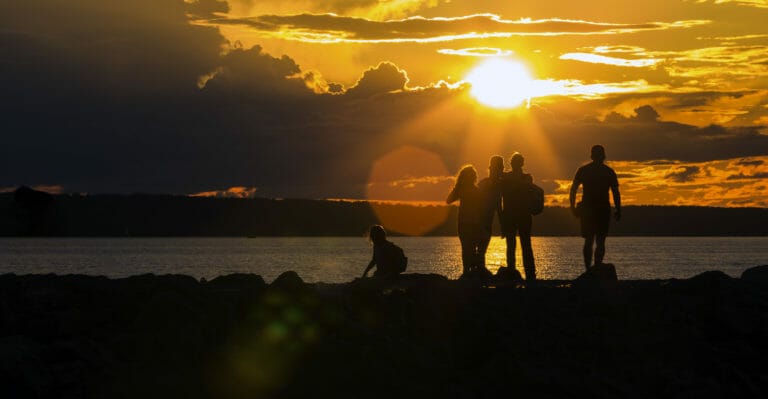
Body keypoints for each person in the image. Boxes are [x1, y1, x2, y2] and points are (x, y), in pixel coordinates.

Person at [569, 145, 621, 271]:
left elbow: (573, 190)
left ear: (592, 156)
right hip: (599, 210)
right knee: (599, 241)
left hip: (591, 209)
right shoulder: (608, 172)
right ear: (603, 156)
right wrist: (618, 209)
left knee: (590, 240)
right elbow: (615, 192)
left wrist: (573, 207)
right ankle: (595, 268)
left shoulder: (584, 170)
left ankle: (590, 269)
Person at [500, 152, 536, 283]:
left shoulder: (511, 178)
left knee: (518, 245)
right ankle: (521, 275)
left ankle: (527, 275)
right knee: (518, 245)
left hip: (517, 216)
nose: (516, 165)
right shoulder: (524, 178)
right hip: (517, 216)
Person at [446, 165, 483, 276]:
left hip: (465, 223)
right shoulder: (476, 190)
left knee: (466, 248)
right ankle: (470, 271)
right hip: (473, 223)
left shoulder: (462, 189)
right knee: (471, 248)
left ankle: (467, 272)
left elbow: (449, 200)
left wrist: (457, 187)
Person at [477, 156, 504, 271]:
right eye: (500, 169)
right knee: (481, 247)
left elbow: (498, 206)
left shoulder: (488, 184)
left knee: (481, 248)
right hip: (480, 221)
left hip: (486, 221)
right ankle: (478, 269)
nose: (501, 171)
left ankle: (479, 269)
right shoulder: (486, 184)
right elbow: (497, 206)